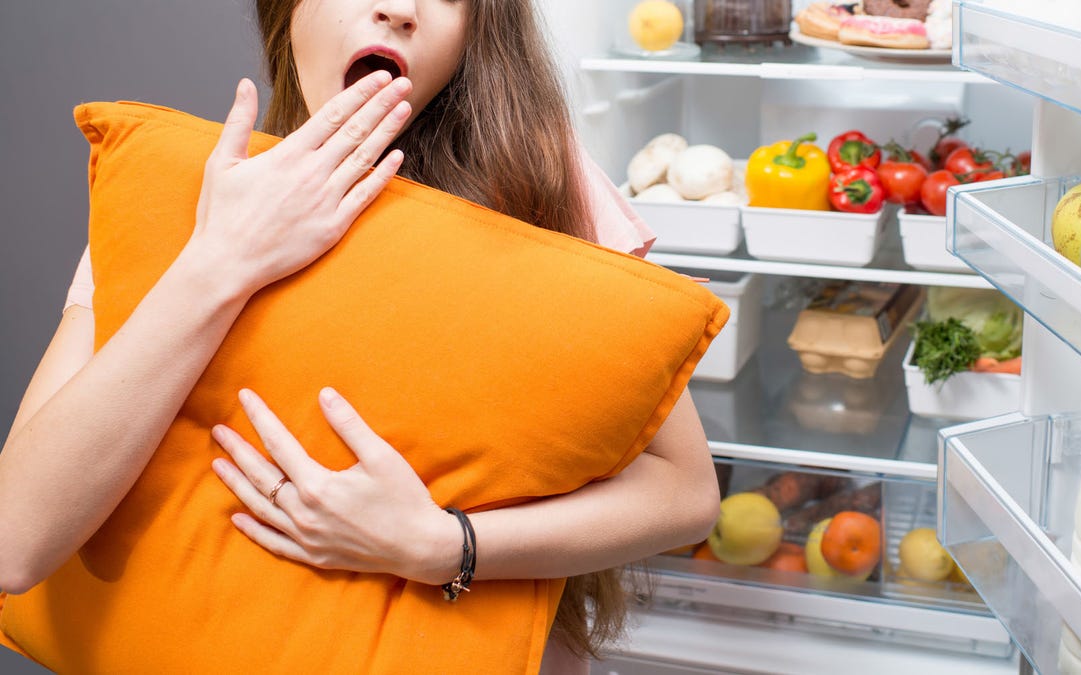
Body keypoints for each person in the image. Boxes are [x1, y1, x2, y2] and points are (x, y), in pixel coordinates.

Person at [0, 0, 721, 672]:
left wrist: (443, 546)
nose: (400, 8)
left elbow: (687, 493)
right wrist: (222, 262)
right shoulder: (175, 199)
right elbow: (14, 542)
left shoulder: (543, 184)